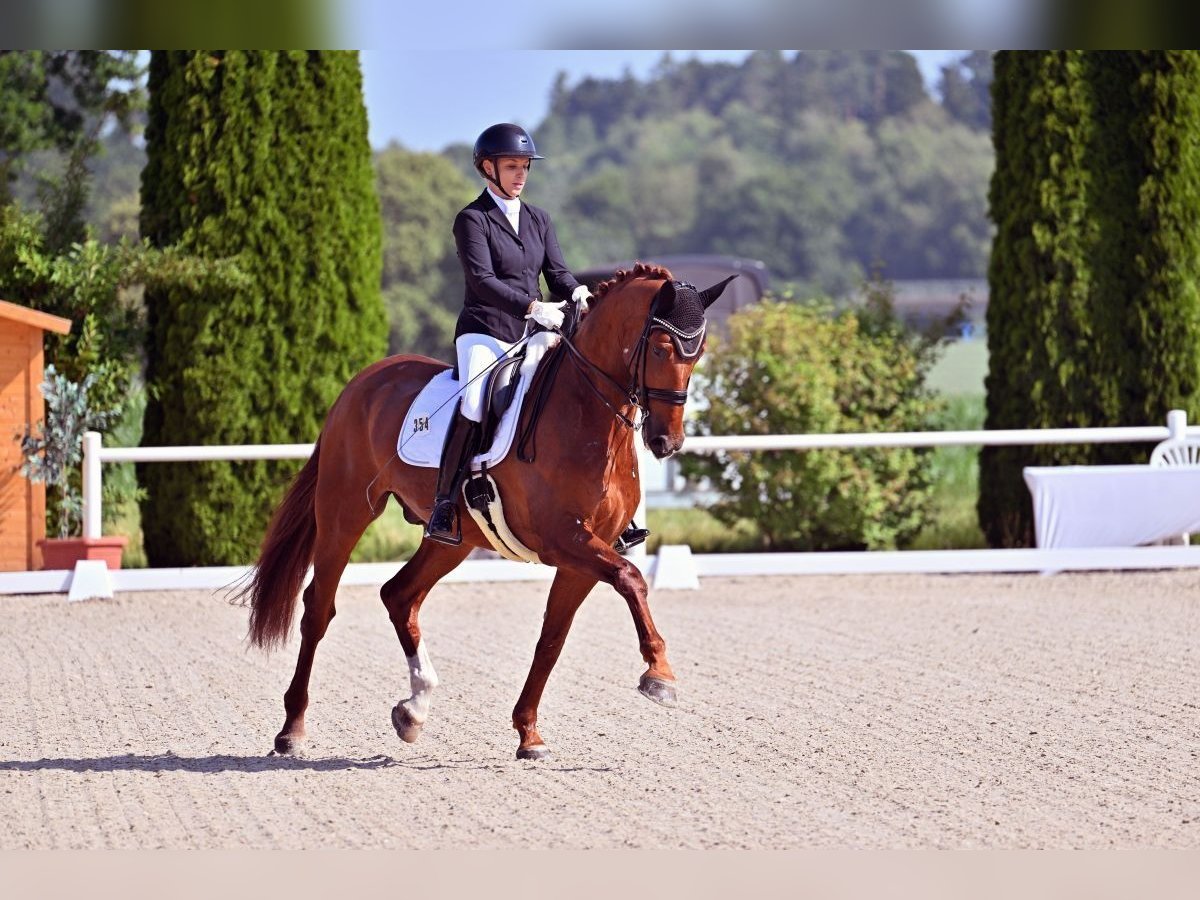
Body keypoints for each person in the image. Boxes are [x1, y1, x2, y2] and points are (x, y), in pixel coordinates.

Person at [424, 122, 650, 554]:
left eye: (524, 166)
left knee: (579, 392)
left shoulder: (539, 219)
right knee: (475, 402)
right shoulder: (473, 220)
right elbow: (483, 281)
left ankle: (615, 511)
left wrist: (578, 292)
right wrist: (532, 307)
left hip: (535, 332)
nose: (520, 174)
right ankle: (444, 503)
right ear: (487, 168)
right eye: (511, 166)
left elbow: (558, 273)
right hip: (485, 332)